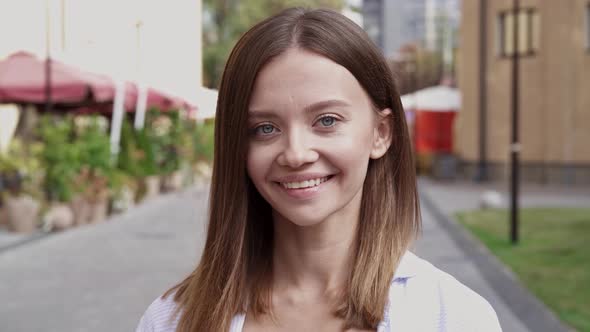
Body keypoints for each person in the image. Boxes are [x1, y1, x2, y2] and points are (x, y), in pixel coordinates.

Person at [136, 7, 502, 332]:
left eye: (326, 120)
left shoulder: (452, 317)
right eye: (265, 128)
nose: (295, 154)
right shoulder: (171, 320)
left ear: (380, 133)